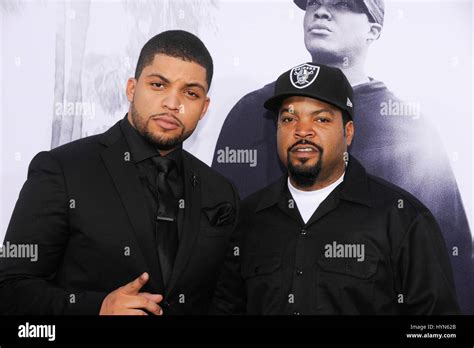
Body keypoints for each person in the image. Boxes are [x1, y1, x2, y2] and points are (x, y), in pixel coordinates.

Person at [212, 0, 473, 314]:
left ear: (373, 28)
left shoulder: (411, 134)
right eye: (314, 3)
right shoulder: (251, 112)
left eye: (342, 3)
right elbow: (215, 257)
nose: (321, 11)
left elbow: (450, 276)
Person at [0, 30, 239, 315]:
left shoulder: (220, 190)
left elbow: (228, 301)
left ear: (204, 108)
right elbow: (11, 288)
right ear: (131, 88)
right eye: (158, 85)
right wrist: (97, 309)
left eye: (190, 92)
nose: (173, 104)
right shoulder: (62, 170)